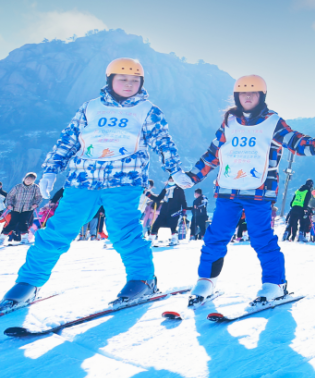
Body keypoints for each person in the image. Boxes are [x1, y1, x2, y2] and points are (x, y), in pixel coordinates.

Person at [1, 58, 190, 312]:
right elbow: (68, 140)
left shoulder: (148, 110)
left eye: (134, 80)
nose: (128, 84)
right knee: (56, 231)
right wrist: (50, 171)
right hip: (82, 181)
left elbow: (162, 141)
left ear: (141, 83)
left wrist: (175, 169)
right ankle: (28, 283)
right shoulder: (90, 107)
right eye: (122, 79)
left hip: (124, 181)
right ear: (109, 80)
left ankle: (142, 279)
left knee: (123, 231)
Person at [182, 75, 315, 307]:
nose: (248, 97)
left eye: (253, 93)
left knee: (261, 237)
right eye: (244, 93)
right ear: (237, 97)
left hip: (258, 192)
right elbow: (213, 153)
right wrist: (192, 176)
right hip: (228, 189)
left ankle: (275, 284)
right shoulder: (229, 122)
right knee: (215, 236)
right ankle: (206, 281)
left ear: (262, 97)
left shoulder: (272, 122)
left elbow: (295, 141)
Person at [3, 173, 42, 243]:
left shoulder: (35, 188)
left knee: (23, 223)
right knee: (12, 222)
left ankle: (24, 238)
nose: (28, 181)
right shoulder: (18, 187)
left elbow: (39, 197)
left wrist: (36, 204)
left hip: (28, 208)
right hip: (15, 208)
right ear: (24, 178)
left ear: (33, 180)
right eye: (27, 179)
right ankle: (3, 237)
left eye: (31, 180)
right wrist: (9, 204)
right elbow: (10, 196)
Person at [149, 176, 186, 245]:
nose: (171, 181)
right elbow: (158, 198)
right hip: (164, 210)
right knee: (156, 224)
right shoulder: (165, 189)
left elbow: (183, 201)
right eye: (170, 180)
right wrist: (148, 195)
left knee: (173, 225)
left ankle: (174, 239)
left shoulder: (179, 190)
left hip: (174, 210)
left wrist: (184, 210)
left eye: (173, 180)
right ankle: (151, 239)